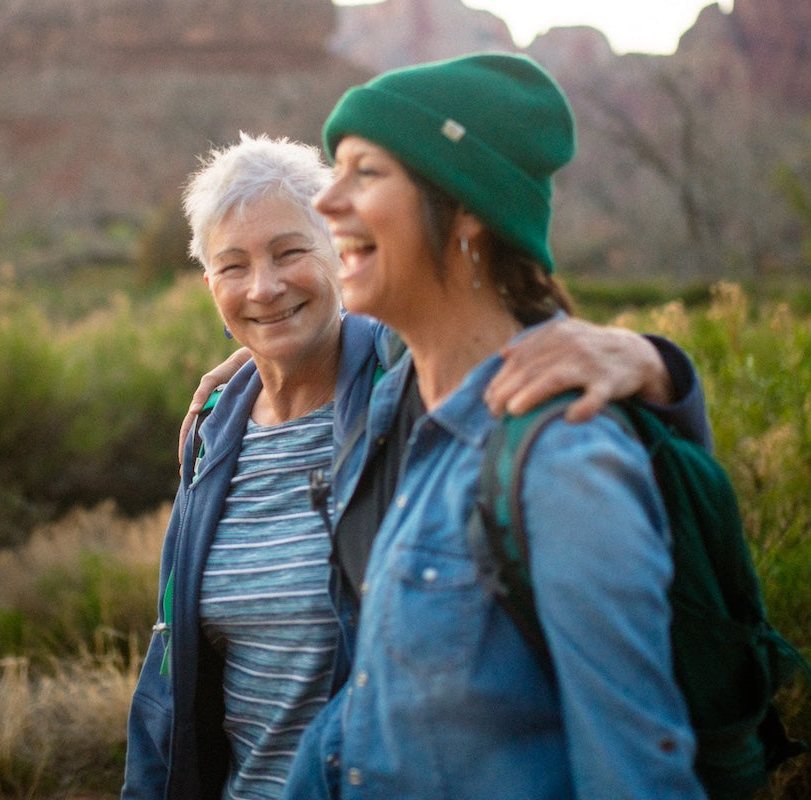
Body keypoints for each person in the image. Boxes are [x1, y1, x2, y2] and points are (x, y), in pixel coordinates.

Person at [122, 133, 707, 800]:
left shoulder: (404, 388)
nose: (264, 286)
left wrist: (650, 364)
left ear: (341, 254)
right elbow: (170, 672)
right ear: (209, 286)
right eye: (233, 267)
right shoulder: (214, 429)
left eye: (290, 253)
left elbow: (487, 324)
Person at [283, 54, 708, 798]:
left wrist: (652, 362)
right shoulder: (396, 409)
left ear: (470, 208)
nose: (325, 201)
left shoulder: (563, 461)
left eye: (366, 172)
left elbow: (636, 771)